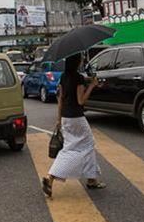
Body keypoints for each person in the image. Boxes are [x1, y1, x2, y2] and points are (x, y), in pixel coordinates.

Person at [42, 53, 105, 197]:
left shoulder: (64, 76)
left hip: (65, 117)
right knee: (83, 146)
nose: (82, 61)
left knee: (76, 147)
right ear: (77, 62)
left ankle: (91, 179)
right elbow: (81, 100)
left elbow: (60, 99)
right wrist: (92, 86)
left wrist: (58, 120)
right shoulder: (78, 78)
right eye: (81, 60)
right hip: (77, 118)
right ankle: (51, 177)